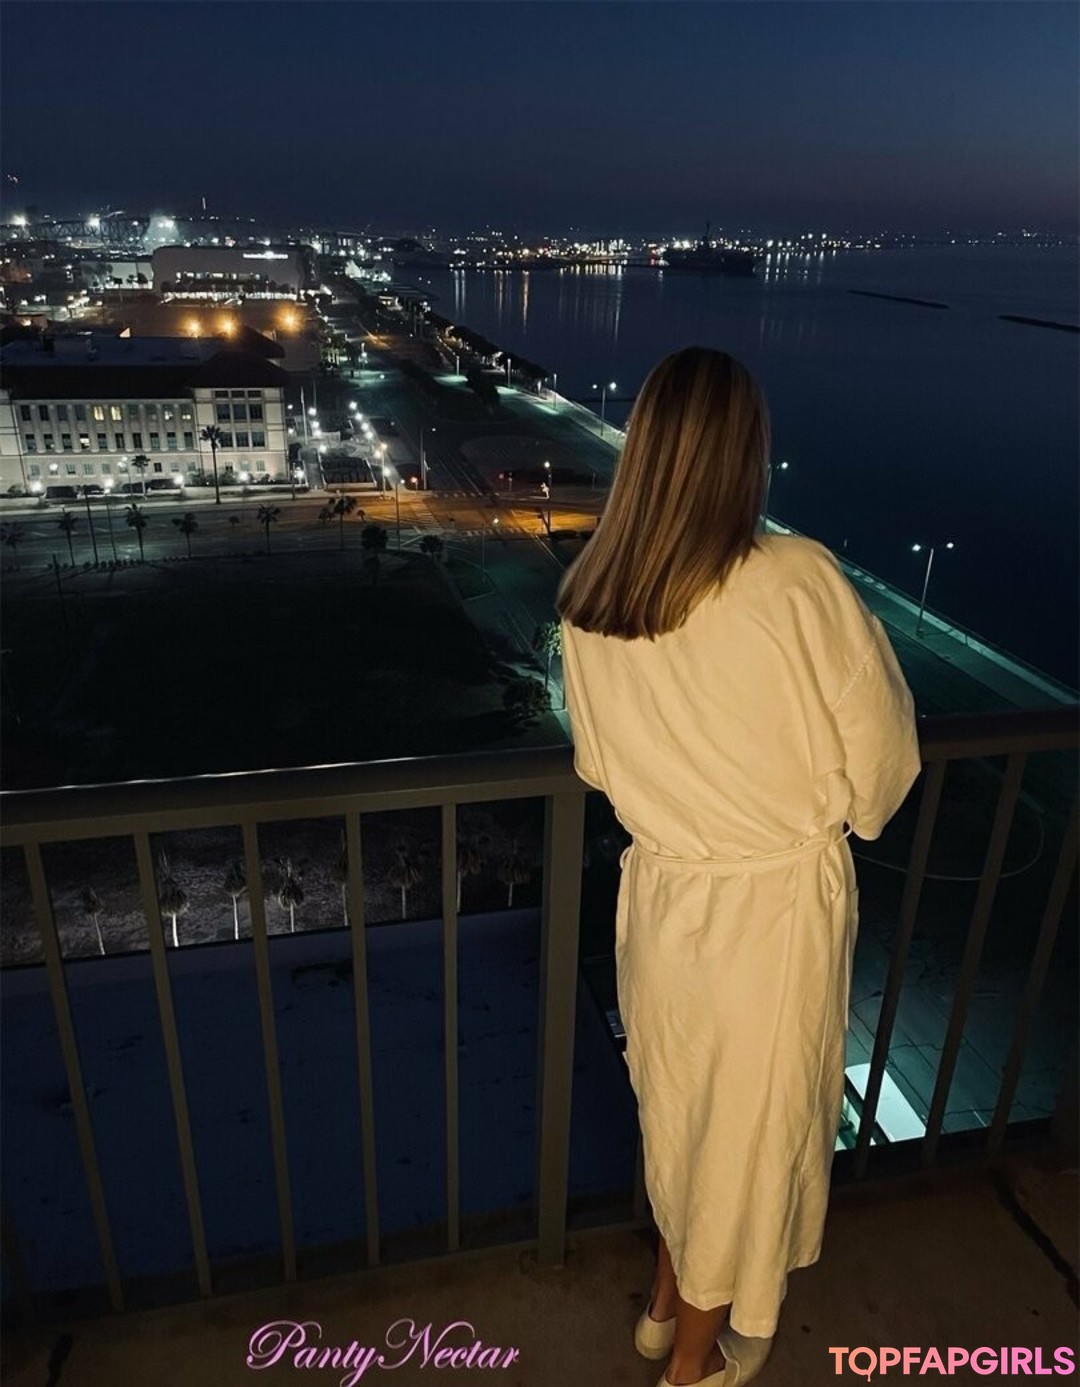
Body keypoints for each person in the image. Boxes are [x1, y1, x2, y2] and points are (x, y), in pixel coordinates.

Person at [556, 347, 920, 1387]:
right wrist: (828, 806)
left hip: (665, 904)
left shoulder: (592, 598)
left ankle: (665, 1307)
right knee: (741, 1147)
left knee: (681, 1116)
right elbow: (883, 765)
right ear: (744, 454)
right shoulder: (796, 580)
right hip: (771, 918)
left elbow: (597, 766)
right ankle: (692, 1365)